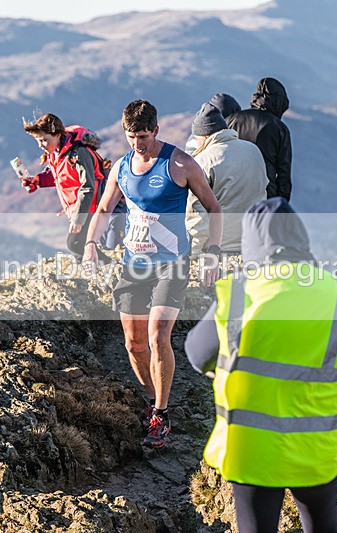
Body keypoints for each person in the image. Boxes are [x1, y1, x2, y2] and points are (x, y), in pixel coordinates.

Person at [185, 197, 337, 533]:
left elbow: (197, 353)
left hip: (250, 448)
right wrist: (322, 396)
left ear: (250, 244)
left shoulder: (239, 294)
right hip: (317, 447)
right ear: (301, 239)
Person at [82, 99, 223, 449]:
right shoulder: (121, 167)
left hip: (172, 264)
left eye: (143, 136)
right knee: (133, 342)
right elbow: (103, 209)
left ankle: (161, 412)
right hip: (134, 264)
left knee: (159, 335)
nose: (137, 144)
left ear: (156, 131)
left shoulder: (180, 163)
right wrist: (90, 243)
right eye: (131, 136)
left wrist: (213, 253)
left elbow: (214, 208)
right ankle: (150, 398)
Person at [22, 113, 109, 261]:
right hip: (78, 208)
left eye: (44, 140)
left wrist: (78, 219)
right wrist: (38, 180)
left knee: (75, 243)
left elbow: (87, 186)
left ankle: (110, 265)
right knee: (79, 250)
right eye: (38, 141)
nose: (40, 145)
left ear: (57, 134)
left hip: (90, 206)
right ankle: (91, 277)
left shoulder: (78, 153)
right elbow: (60, 177)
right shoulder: (56, 153)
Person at [186, 102, 267, 254]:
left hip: (219, 248)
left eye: (196, 139)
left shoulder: (202, 162)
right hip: (252, 244)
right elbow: (262, 192)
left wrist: (192, 253)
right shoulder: (253, 150)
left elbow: (197, 215)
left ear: (204, 135)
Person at [227, 78, 292, 201]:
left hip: (232, 194)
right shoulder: (279, 128)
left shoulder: (231, 120)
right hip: (264, 196)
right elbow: (284, 173)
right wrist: (281, 204)